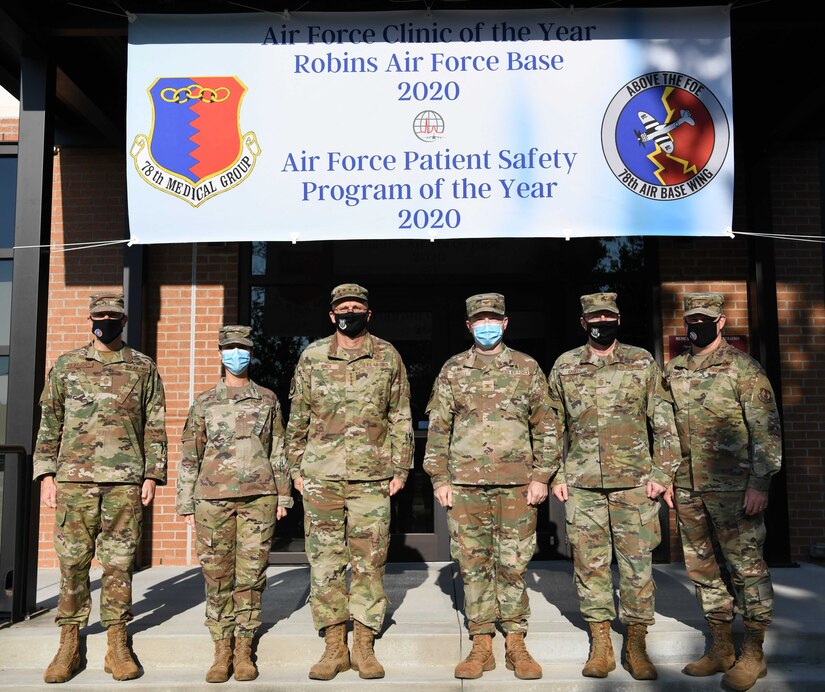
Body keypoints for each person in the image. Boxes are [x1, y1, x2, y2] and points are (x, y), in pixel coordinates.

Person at [33, 292, 168, 684]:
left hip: (124, 481)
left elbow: (155, 426)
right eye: (100, 314)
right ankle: (69, 644)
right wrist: (46, 474)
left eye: (113, 315)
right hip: (73, 480)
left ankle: (116, 643)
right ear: (90, 318)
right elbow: (49, 421)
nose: (105, 320)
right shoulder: (67, 365)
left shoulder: (143, 367)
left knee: (119, 564)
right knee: (73, 563)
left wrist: (152, 474)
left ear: (124, 321)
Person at [423, 292, 556, 681]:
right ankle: (481, 642)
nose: (486, 325)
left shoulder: (527, 368)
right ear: (468, 325)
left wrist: (541, 476)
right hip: (464, 486)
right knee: (473, 563)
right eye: (479, 319)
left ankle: (515, 641)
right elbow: (439, 428)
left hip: (517, 486)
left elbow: (547, 425)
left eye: (493, 318)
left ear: (505, 322)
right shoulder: (453, 370)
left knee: (513, 564)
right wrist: (439, 477)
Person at [547, 292, 679, 681]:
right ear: (583, 323)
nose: (600, 322)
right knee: (590, 567)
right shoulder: (565, 365)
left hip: (635, 485)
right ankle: (601, 645)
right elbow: (553, 426)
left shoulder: (641, 362)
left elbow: (664, 421)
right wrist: (555, 474)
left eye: (607, 316)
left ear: (618, 320)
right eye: (594, 317)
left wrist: (662, 474)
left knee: (638, 567)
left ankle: (636, 644)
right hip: (584, 485)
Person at [285, 283, 414, 681]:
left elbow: (400, 415)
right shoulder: (312, 356)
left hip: (372, 476)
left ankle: (364, 643)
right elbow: (299, 417)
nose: (350, 313)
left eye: (357, 307)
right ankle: (333, 645)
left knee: (369, 560)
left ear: (368, 314)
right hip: (321, 475)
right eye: (343, 307)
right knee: (324, 563)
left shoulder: (387, 356)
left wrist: (401, 467)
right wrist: (295, 469)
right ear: (331, 315)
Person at [663, 293, 782, 691]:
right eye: (691, 318)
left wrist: (760, 483)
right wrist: (666, 478)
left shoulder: (742, 368)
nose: (697, 324)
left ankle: (753, 652)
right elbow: (664, 431)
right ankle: (720, 647)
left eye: (705, 318)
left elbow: (765, 429)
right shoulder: (674, 370)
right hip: (688, 488)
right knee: (702, 570)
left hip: (736, 489)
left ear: (721, 321)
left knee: (746, 569)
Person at [177, 325, 293, 683]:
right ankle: (221, 647)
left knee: (252, 575)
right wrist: (185, 503)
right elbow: (190, 454)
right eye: (230, 349)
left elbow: (279, 449)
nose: (236, 355)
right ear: (221, 354)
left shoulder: (268, 399)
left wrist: (283, 494)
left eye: (242, 348)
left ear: (251, 354)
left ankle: (244, 647)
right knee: (216, 574)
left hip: (259, 497)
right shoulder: (205, 401)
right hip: (212, 499)